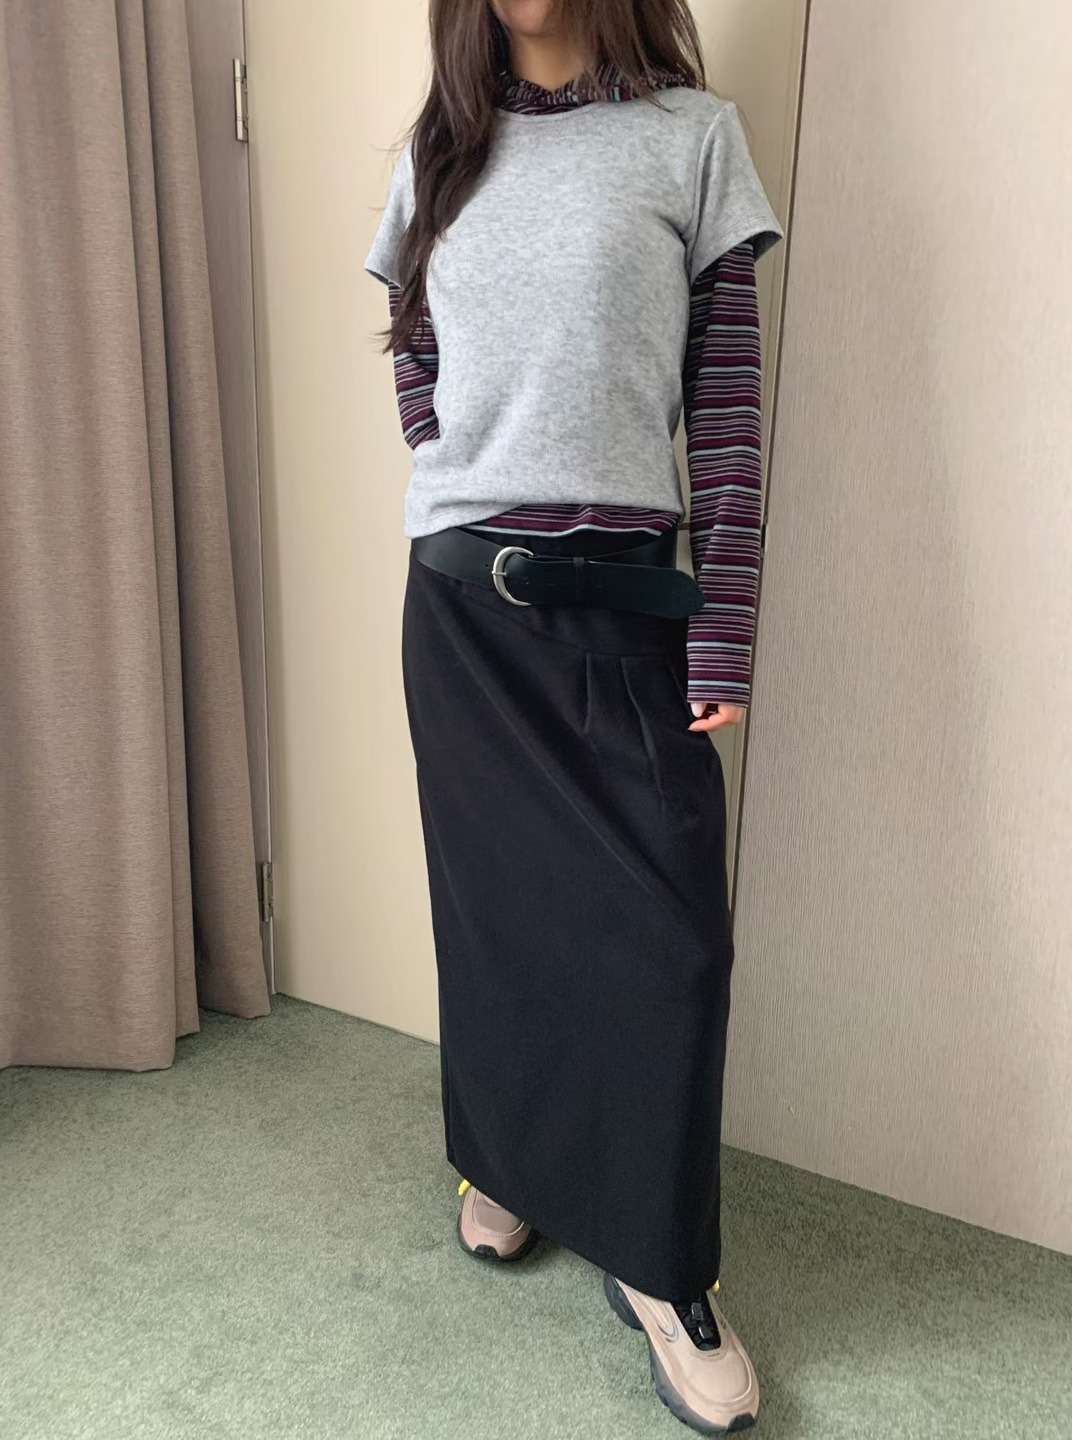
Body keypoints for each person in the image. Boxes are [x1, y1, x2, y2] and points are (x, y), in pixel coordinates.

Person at [364, 1, 782, 1432]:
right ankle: (507, 1162)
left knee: (674, 944)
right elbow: (411, 353)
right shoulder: (439, 150)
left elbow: (725, 415)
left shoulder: (692, 139)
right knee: (498, 918)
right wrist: (476, 460)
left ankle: (664, 1268)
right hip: (463, 614)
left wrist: (723, 622)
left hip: (626, 609)